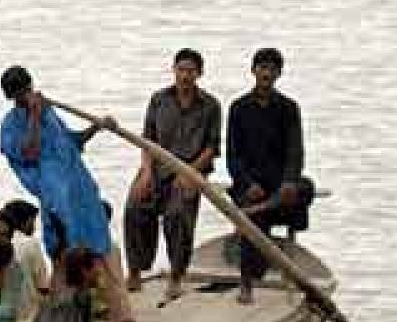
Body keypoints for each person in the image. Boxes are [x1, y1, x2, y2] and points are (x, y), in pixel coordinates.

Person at [0, 66, 158, 322]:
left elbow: (73, 141)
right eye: (20, 93)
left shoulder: (49, 114)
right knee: (67, 268)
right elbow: (30, 153)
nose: (26, 95)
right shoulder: (10, 126)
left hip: (83, 198)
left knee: (107, 256)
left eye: (27, 89)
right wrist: (33, 115)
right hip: (58, 204)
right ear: (11, 96)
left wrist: (99, 127)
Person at [124, 48, 222, 302]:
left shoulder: (210, 105)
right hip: (156, 167)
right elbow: (147, 140)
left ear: (199, 73)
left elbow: (212, 148)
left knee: (178, 215)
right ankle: (135, 270)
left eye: (191, 71)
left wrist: (190, 172)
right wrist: (146, 172)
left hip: (191, 170)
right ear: (174, 70)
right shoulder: (159, 100)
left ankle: (176, 276)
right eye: (181, 70)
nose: (185, 76)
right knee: (135, 206)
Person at [227, 47, 310, 304]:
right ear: (253, 71)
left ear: (279, 74)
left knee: (305, 187)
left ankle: (269, 204)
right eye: (262, 68)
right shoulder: (239, 108)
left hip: (279, 185)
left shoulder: (288, 107)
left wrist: (288, 181)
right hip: (250, 184)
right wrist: (248, 183)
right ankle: (247, 283)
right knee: (253, 214)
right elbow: (232, 156)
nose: (266, 74)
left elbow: (295, 150)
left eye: (272, 69)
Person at [3, 198, 53, 314]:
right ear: (25, 221)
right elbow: (43, 286)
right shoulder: (31, 243)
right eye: (32, 222)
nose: (34, 228)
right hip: (29, 315)